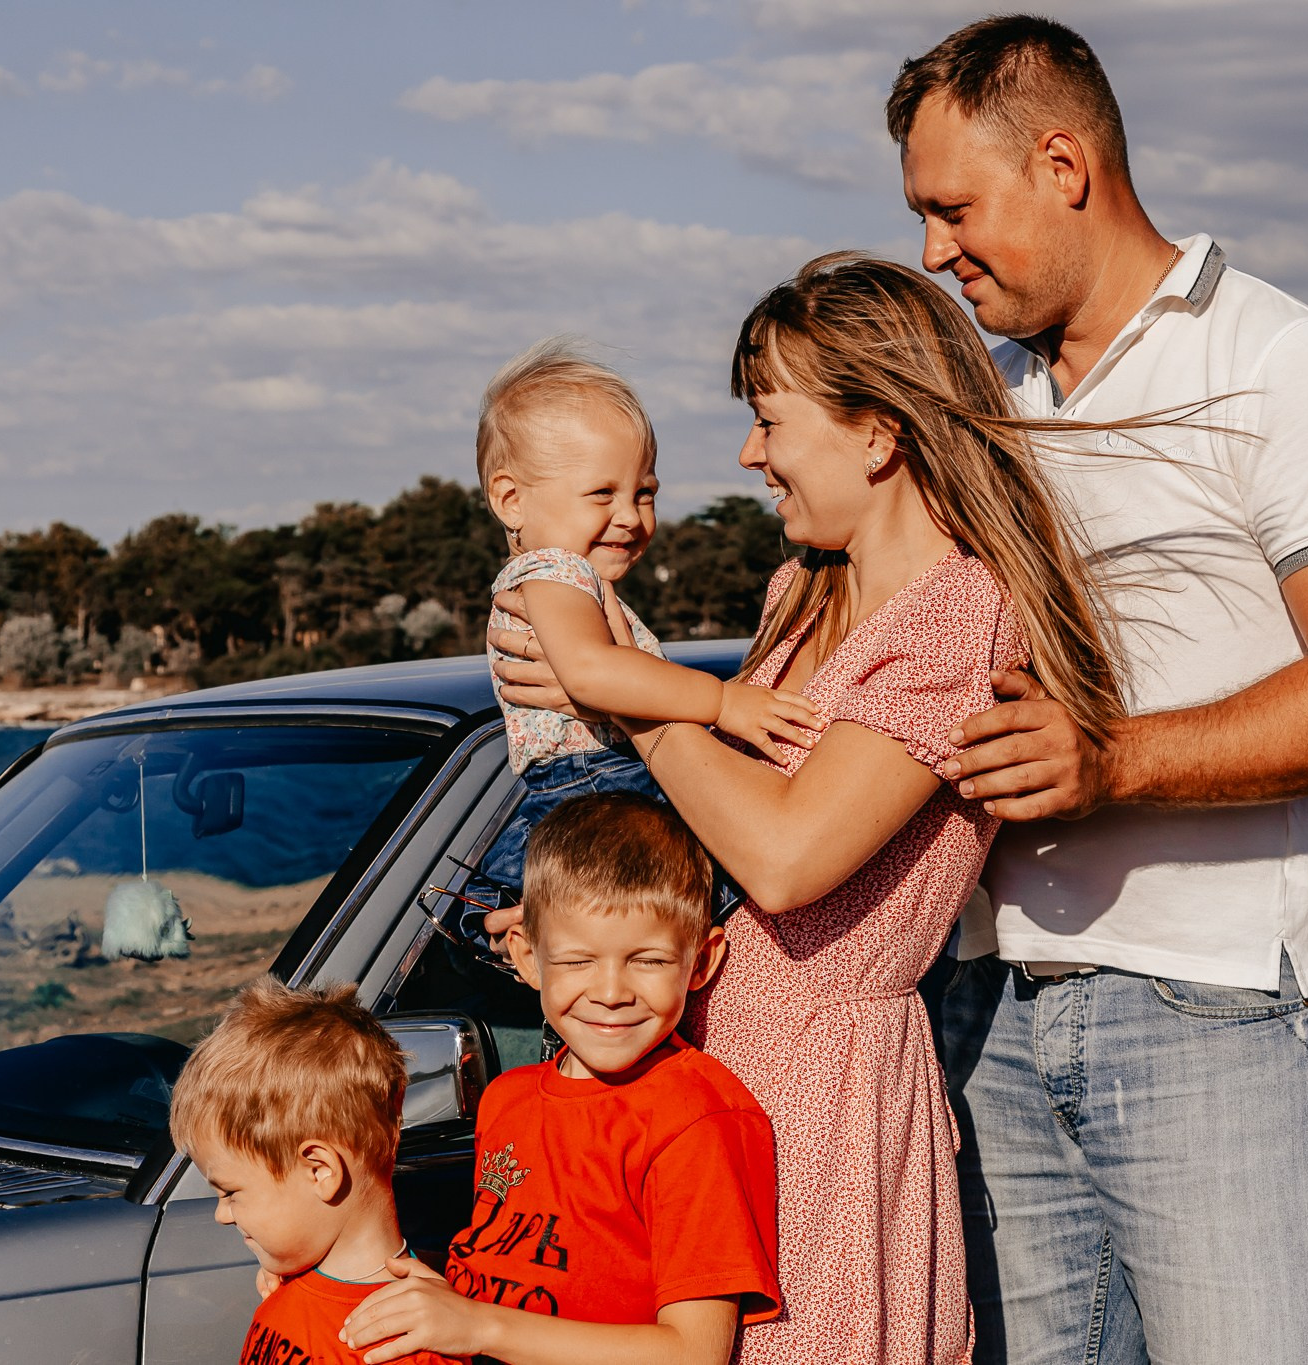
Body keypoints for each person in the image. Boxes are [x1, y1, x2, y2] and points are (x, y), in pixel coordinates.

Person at [888, 16, 1308, 1364]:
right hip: (994, 1010)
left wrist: (1109, 760)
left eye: (953, 208)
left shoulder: (1287, 363)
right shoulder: (989, 402)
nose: (931, 252)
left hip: (1220, 1015)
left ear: (1064, 165)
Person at [495, 251, 1125, 1364]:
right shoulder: (803, 589)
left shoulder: (957, 614)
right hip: (690, 1065)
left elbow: (786, 858)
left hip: (818, 1091)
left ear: (876, 432)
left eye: (768, 419)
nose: (748, 454)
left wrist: (620, 693)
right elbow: (713, 819)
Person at [338, 792, 783, 1365]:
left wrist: (479, 1327)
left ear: (700, 961)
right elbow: (513, 1283)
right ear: (527, 958)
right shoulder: (507, 1099)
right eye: (577, 961)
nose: (611, 992)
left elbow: (694, 1352)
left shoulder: (694, 1120)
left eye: (648, 960)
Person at [458, 340, 818, 927]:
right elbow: (592, 672)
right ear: (510, 499)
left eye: (644, 493)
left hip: (598, 786)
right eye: (603, 493)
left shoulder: (573, 579)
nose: (629, 515)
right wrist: (722, 701)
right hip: (593, 784)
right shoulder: (554, 571)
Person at [167, 977, 463, 1365]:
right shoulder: (288, 1287)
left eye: (230, 1192)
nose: (221, 1215)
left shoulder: (403, 1346)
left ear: (320, 1170)